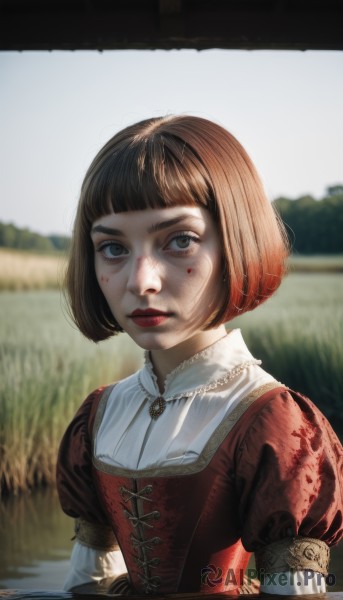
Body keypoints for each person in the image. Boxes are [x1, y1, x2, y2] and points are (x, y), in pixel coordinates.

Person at [57, 115, 342, 596]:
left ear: (236, 241)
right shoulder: (100, 415)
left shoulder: (277, 425)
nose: (140, 281)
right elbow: (85, 584)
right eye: (112, 247)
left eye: (180, 240)